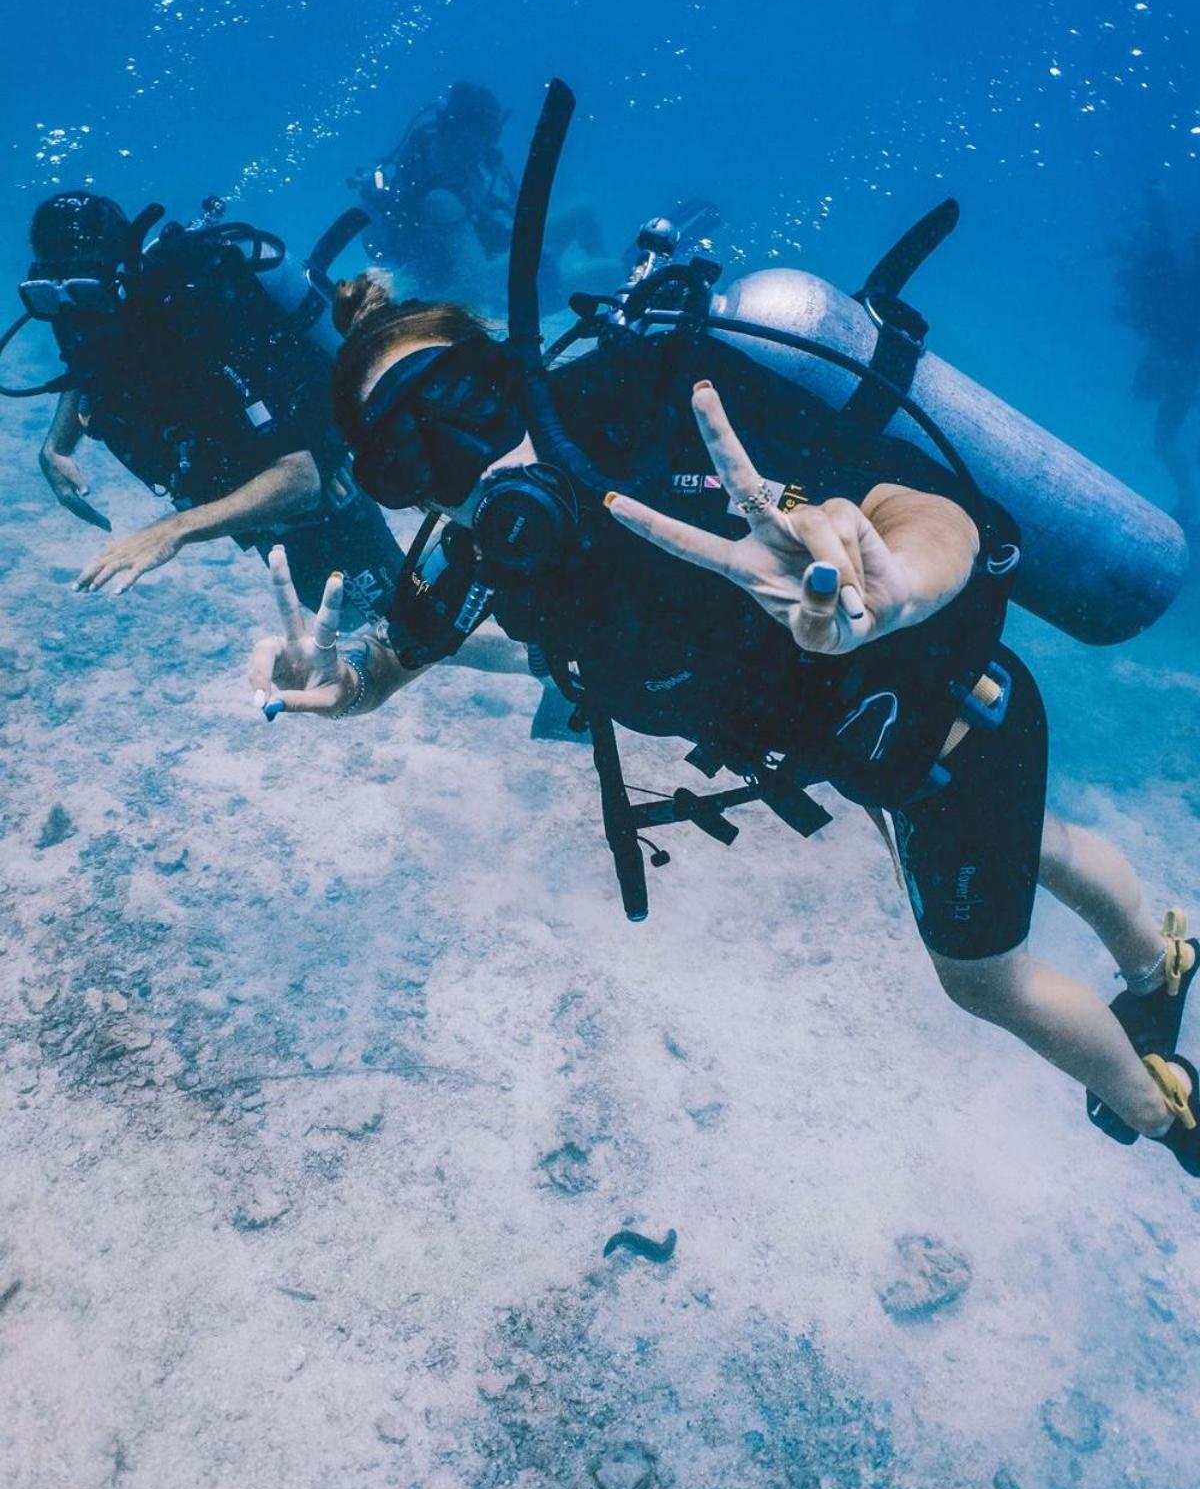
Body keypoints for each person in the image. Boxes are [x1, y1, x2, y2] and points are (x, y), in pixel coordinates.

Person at [248, 268, 1200, 1179]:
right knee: (1038, 842)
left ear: (515, 373)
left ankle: (1166, 1112)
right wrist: (343, 680)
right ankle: (1161, 965)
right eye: (406, 452)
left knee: (982, 978)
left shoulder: (658, 415)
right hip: (880, 758)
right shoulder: (480, 553)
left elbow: (883, 504)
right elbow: (395, 657)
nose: (460, 457)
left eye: (465, 400)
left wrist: (899, 578)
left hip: (954, 726)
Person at [23, 190, 405, 623]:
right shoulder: (81, 308)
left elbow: (300, 479)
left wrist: (173, 531)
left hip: (311, 497)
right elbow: (86, 368)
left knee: (400, 623)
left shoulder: (197, 323)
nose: (72, 313)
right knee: (342, 615)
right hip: (242, 501)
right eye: (50, 295)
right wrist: (56, 446)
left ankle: (472, 556)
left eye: (85, 293)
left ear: (121, 274)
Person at [354, 82, 608, 306]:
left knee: (584, 212)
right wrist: (535, 265)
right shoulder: (439, 198)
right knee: (608, 272)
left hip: (489, 261)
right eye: (485, 131)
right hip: (463, 293)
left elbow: (504, 220)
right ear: (457, 128)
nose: (490, 142)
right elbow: (476, 282)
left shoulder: (464, 165)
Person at [1113, 192, 1200, 534]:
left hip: (1180, 363)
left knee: (1163, 440)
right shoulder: (1181, 281)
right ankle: (1189, 502)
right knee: (1162, 441)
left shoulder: (1183, 282)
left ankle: (1189, 502)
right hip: (1177, 361)